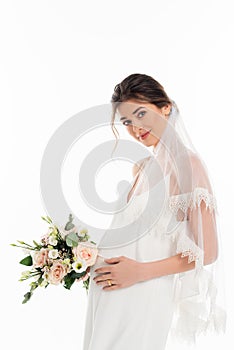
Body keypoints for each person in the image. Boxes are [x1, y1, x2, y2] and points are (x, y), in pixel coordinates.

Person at [82, 73, 226, 349]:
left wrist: (139, 272)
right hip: (109, 296)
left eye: (140, 114)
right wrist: (81, 257)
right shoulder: (141, 168)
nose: (135, 127)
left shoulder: (189, 165)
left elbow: (208, 253)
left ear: (165, 108)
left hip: (143, 294)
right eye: (126, 122)